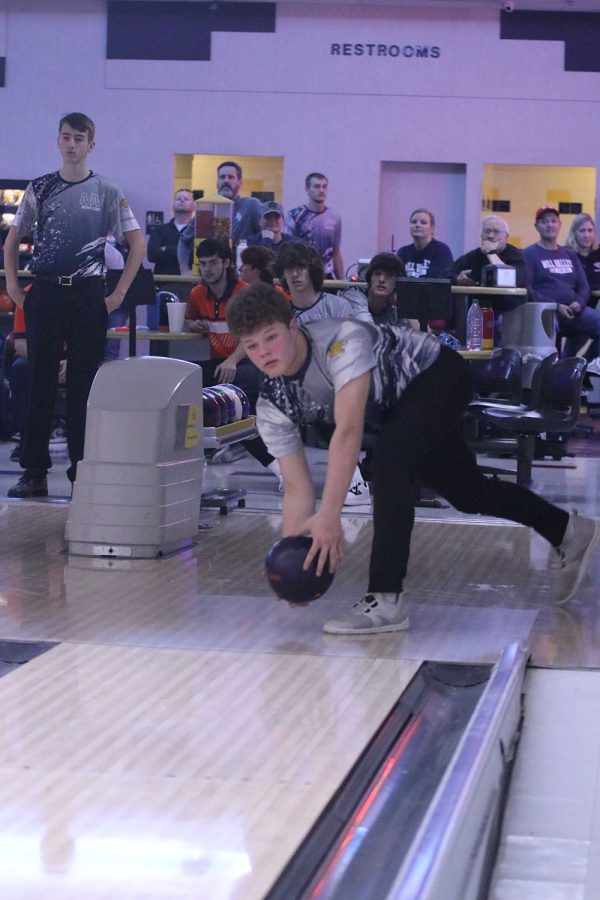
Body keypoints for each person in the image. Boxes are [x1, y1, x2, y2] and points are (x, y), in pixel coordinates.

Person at [226, 285, 600, 633]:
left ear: (293, 327)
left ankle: (386, 599)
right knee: (468, 493)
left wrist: (330, 515)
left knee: (390, 463)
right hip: (398, 408)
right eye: (252, 346)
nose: (265, 353)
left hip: (437, 373)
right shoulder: (272, 401)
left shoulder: (340, 342)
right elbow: (296, 488)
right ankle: (568, 531)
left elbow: (349, 431)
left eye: (271, 337)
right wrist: (296, 563)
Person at [3, 112, 146, 498]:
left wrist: (117, 296)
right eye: (65, 137)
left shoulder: (107, 191)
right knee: (39, 381)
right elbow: (12, 239)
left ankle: (82, 471)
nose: (71, 144)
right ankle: (34, 471)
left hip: (87, 296)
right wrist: (15, 286)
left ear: (90, 145)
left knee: (85, 384)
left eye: (78, 138)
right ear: (58, 140)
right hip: (46, 293)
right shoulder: (40, 187)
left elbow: (138, 244)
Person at [523, 206, 600, 358]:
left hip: (575, 311)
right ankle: (554, 375)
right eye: (544, 222)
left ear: (560, 225)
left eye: (553, 221)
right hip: (547, 312)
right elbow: (528, 289)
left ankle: (582, 367)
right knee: (552, 346)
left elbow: (583, 287)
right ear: (536, 226)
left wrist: (578, 303)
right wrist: (557, 307)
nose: (550, 225)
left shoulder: (569, 253)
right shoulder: (528, 254)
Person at [177, 162, 262, 276]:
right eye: (222, 177)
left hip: (241, 277)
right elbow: (184, 241)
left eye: (231, 177)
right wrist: (184, 270)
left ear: (240, 183)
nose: (226, 180)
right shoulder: (206, 207)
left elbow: (263, 238)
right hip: (211, 277)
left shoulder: (250, 205)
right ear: (217, 182)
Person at [452, 216, 525, 308]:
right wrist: (457, 279)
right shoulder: (474, 255)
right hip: (478, 308)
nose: (491, 236)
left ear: (506, 237)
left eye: (496, 232)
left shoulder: (516, 255)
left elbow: (507, 278)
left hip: (509, 309)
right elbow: (446, 274)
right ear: (482, 236)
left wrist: (491, 254)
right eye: (487, 231)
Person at [273, 241, 353, 323]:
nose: (294, 274)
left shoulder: (339, 306)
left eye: (300, 267)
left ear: (312, 270)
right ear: (283, 274)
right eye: (289, 268)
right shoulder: (280, 315)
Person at [285, 173, 344, 279]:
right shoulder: (295, 216)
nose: (321, 190)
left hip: (326, 275)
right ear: (307, 189)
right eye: (317, 186)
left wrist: (342, 281)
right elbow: (288, 251)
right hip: (303, 275)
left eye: (324, 186)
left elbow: (336, 252)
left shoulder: (335, 217)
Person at [339, 252, 404, 325]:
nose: (381, 279)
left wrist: (403, 305)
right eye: (377, 274)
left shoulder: (395, 306)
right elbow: (368, 329)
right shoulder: (354, 294)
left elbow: (416, 332)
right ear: (370, 278)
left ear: (398, 281)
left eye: (389, 275)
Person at [147, 188, 195, 276]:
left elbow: (196, 257)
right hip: (163, 283)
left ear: (194, 205)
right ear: (173, 204)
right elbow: (152, 255)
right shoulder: (159, 230)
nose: (182, 200)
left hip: (190, 283)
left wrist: (166, 249)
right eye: (178, 199)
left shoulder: (198, 231)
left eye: (186, 199)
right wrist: (184, 252)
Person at [397, 208, 453, 279]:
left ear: (432, 228)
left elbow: (439, 279)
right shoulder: (403, 252)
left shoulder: (442, 251)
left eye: (423, 222)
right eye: (414, 222)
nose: (417, 225)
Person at [565, 213, 600, 304]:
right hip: (575, 304)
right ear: (574, 233)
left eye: (590, 230)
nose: (587, 235)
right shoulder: (566, 254)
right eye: (582, 231)